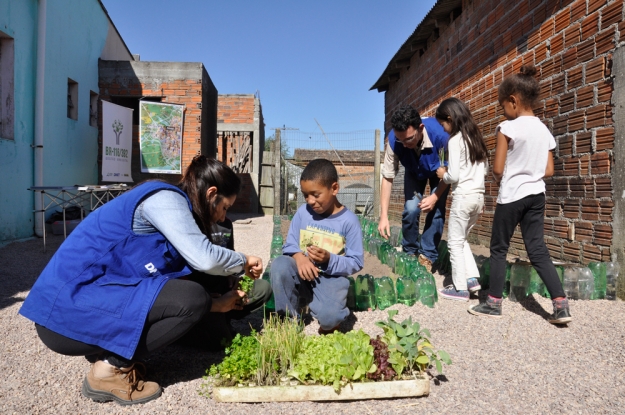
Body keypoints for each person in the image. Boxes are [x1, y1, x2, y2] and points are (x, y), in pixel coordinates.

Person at [19, 156, 263, 405]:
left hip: (80, 304)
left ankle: (106, 351)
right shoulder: (166, 199)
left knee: (195, 297)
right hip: (64, 313)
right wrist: (243, 261)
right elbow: (204, 258)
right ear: (211, 193)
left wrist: (217, 303)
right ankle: (109, 370)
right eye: (224, 207)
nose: (223, 218)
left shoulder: (180, 209)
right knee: (192, 297)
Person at [468, 65, 572, 324]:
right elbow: (548, 170)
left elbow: (498, 168)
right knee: (537, 249)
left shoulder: (507, 128)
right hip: (537, 195)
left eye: (503, 105)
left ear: (513, 101)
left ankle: (493, 303)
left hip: (512, 194)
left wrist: (502, 177)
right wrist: (531, 171)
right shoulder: (544, 131)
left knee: (499, 248)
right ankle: (560, 305)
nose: (503, 111)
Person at [271, 159, 364, 334]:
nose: (310, 201)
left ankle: (322, 310)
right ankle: (289, 320)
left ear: (334, 188)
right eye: (306, 195)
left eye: (315, 194)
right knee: (280, 265)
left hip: (330, 280)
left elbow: (356, 262)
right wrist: (299, 258)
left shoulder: (349, 221)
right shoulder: (303, 212)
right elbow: (290, 244)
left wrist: (330, 259)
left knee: (330, 318)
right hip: (302, 273)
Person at [180, 215, 273, 350]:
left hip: (223, 288)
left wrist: (233, 277)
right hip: (201, 296)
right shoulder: (191, 223)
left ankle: (224, 318)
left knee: (263, 288)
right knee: (223, 342)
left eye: (228, 208)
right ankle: (188, 331)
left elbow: (229, 256)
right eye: (224, 207)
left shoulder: (226, 224)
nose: (224, 215)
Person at [378, 105, 450, 270]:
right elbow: (388, 177)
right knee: (411, 209)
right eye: (400, 140)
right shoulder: (394, 141)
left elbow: (449, 173)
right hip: (413, 171)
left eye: (408, 139)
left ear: (420, 128)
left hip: (439, 173)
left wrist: (434, 197)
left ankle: (428, 255)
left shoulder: (440, 136)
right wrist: (384, 215)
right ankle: (410, 251)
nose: (403, 144)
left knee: (436, 209)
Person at [434, 98, 488, 301]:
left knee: (454, 243)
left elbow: (454, 176)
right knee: (462, 238)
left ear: (450, 118)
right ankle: (472, 278)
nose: (444, 129)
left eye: (443, 124)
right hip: (478, 196)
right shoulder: (475, 138)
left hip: (463, 196)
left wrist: (443, 174)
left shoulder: (455, 140)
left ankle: (459, 288)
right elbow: (484, 169)